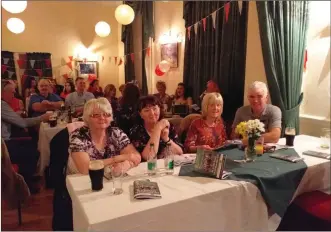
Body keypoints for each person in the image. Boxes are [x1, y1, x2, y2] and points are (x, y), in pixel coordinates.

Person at [1, 80, 51, 192]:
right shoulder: (2, 104)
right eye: (12, 93)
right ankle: (25, 186)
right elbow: (22, 123)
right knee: (33, 152)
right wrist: (42, 118)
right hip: (4, 145)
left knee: (33, 144)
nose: (13, 95)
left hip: (6, 140)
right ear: (3, 92)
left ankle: (30, 178)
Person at [69, 98, 141, 174]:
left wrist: (126, 164)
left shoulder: (116, 133)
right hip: (84, 180)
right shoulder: (78, 136)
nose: (102, 118)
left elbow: (136, 156)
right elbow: (85, 168)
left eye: (106, 114)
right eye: (96, 115)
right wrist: (119, 158)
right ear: (87, 118)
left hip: (112, 179)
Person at [129, 95, 183, 161]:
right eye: (146, 110)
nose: (152, 113)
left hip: (167, 167)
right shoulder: (136, 131)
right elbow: (148, 157)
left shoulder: (168, 126)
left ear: (159, 109)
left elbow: (180, 152)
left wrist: (166, 139)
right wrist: (158, 128)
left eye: (154, 108)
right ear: (140, 114)